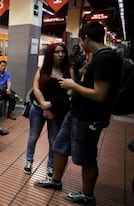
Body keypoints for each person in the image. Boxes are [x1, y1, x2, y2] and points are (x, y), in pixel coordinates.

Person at [34, 22, 122, 205]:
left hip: (89, 118)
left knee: (87, 157)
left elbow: (100, 94)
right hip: (76, 114)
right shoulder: (97, 57)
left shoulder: (105, 59)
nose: (81, 44)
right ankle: (55, 181)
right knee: (59, 147)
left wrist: (73, 85)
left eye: (81, 40)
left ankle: (88, 195)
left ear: (86, 38)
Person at [23, 43, 71, 177]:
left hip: (56, 112)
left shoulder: (67, 72)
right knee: (33, 137)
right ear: (51, 54)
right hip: (38, 109)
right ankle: (29, 161)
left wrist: (50, 105)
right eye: (57, 52)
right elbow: (36, 88)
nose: (60, 54)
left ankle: (50, 166)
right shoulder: (42, 70)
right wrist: (44, 104)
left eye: (62, 52)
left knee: (53, 140)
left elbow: (68, 93)